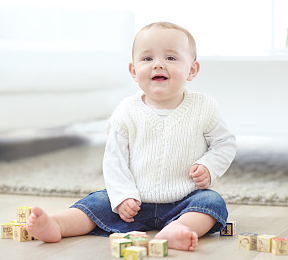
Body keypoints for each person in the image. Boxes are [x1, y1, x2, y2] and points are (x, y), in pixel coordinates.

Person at [26, 21, 237, 252]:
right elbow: (114, 160)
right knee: (98, 201)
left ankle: (177, 229)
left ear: (192, 70)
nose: (158, 65)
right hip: (133, 203)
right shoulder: (126, 111)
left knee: (211, 202)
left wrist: (208, 166)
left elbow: (224, 143)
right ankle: (58, 224)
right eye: (147, 59)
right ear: (134, 71)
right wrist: (123, 196)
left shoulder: (203, 107)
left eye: (171, 58)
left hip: (184, 201)